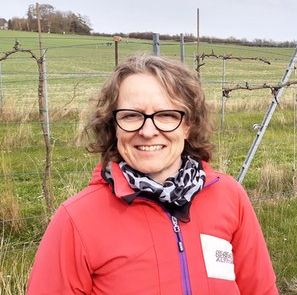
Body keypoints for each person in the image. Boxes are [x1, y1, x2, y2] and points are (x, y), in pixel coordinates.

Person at [27, 54, 279, 294]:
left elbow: (260, 289)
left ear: (188, 125)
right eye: (131, 116)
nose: (148, 131)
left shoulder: (230, 196)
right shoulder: (76, 219)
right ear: (113, 126)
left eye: (167, 115)